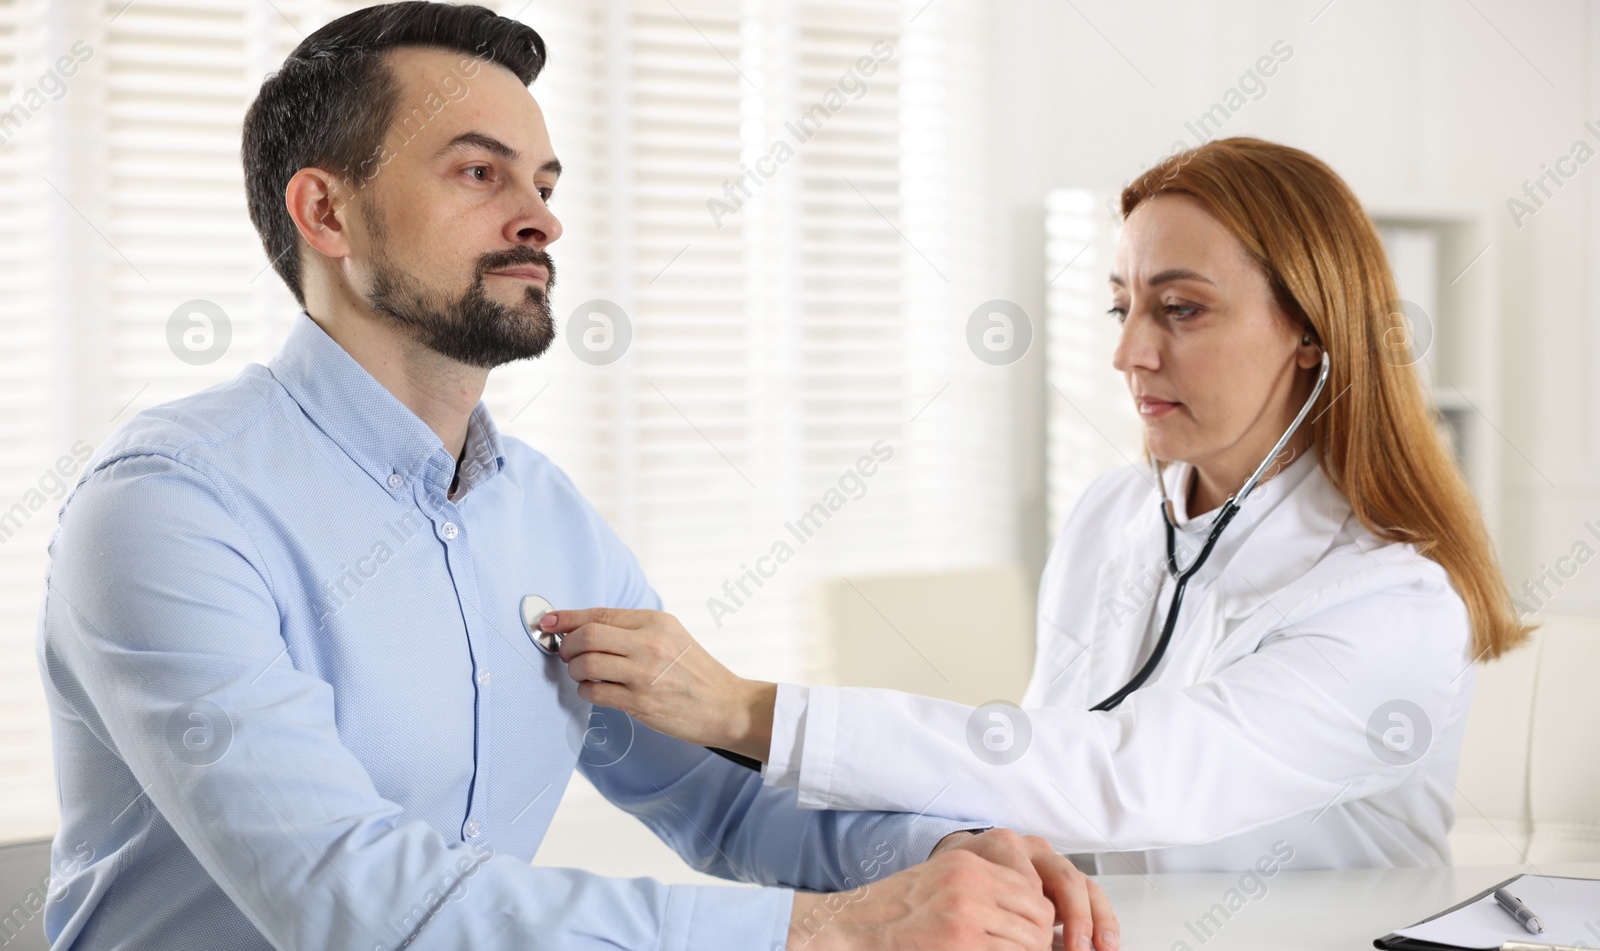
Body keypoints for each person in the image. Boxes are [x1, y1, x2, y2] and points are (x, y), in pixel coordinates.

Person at [22, 5, 1119, 951]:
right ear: (327, 213)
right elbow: (359, 913)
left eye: (543, 184)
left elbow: (717, 790)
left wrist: (940, 853)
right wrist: (839, 933)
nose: (542, 217)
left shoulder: (540, 516)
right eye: (477, 172)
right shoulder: (169, 507)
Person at [543, 137, 1531, 875]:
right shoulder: (1116, 512)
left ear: (1311, 335)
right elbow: (1036, 750)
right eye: (1121, 305)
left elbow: (1128, 777)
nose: (1129, 352)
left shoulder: (1391, 602)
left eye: (1180, 308)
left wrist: (750, 709)